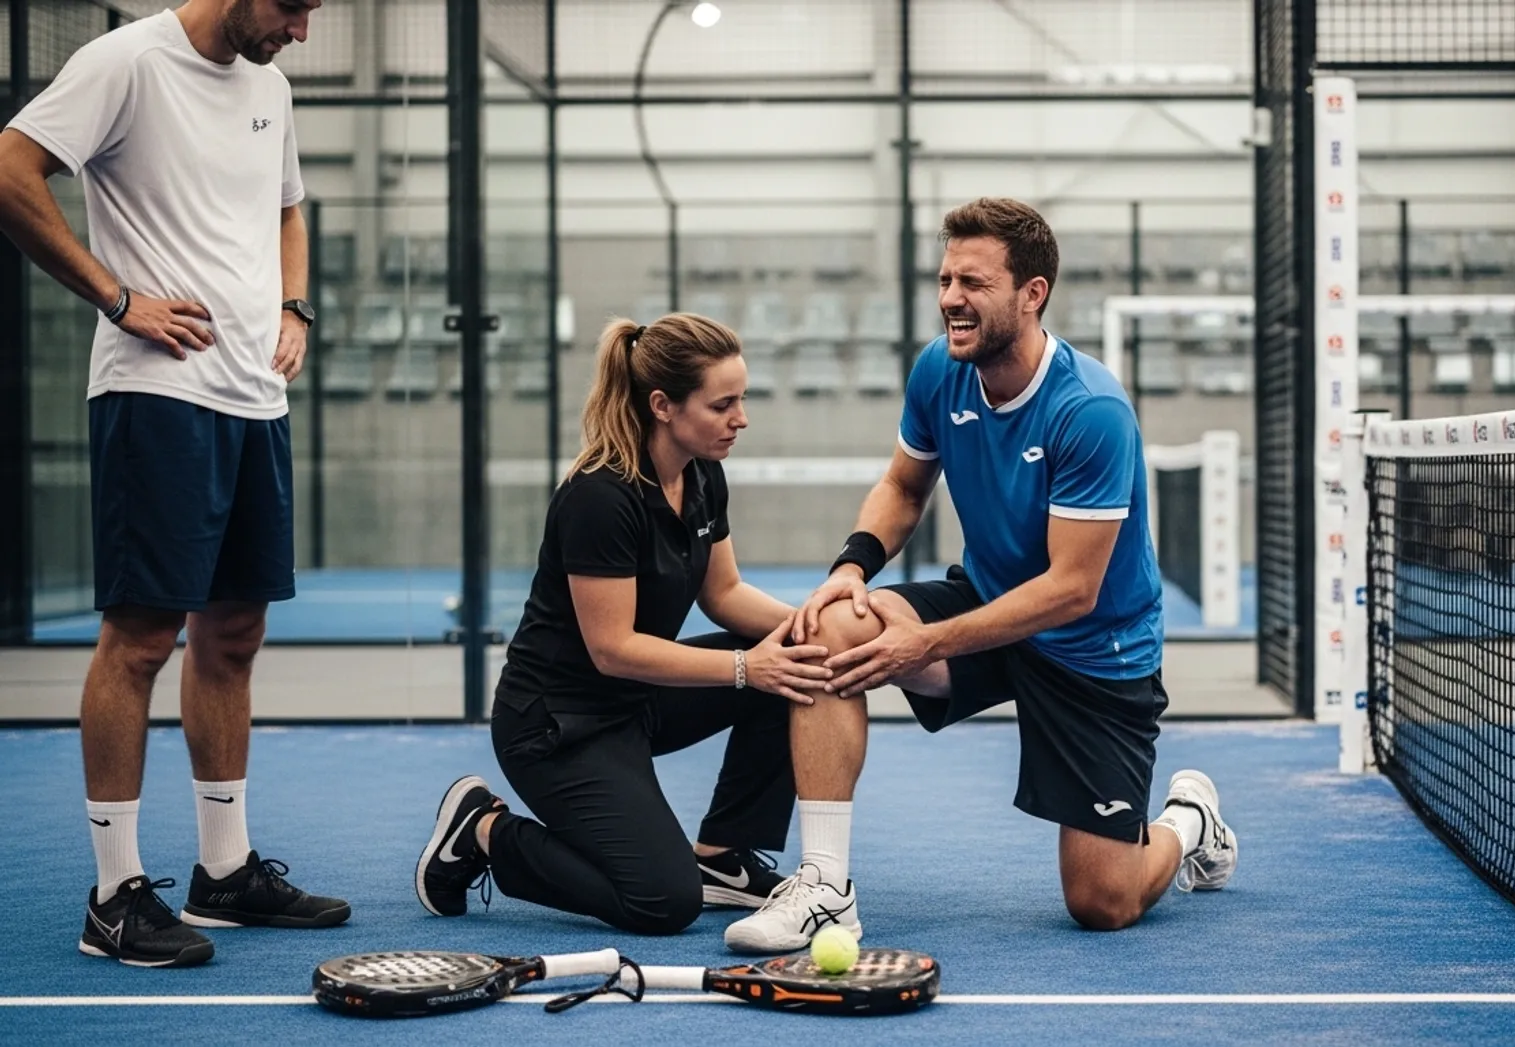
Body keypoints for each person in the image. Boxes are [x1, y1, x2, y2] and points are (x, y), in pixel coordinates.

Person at [723, 198, 1239, 953]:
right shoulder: (940, 370)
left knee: (1102, 901)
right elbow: (903, 487)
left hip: (1095, 652)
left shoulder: (1089, 410)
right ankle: (827, 886)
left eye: (973, 281)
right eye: (944, 279)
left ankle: (1188, 820)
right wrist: (851, 566)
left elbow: (1072, 587)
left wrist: (924, 641)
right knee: (831, 629)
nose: (950, 299)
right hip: (990, 602)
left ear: (1032, 294)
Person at [0, 0, 345, 968]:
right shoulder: (127, 63)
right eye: (291, 8)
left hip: (253, 401)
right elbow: (9, 168)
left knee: (234, 632)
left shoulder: (269, 85)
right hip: (157, 397)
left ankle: (224, 875)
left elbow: (287, 206)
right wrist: (117, 297)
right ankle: (114, 895)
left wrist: (294, 305)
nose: (301, 32)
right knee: (143, 636)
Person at [414, 313, 837, 936]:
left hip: (637, 701)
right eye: (723, 404)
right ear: (663, 405)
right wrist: (750, 668)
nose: (741, 418)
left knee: (793, 661)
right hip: (558, 725)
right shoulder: (600, 496)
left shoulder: (700, 474)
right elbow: (612, 649)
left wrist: (813, 627)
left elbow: (723, 595)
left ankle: (723, 858)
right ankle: (483, 830)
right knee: (662, 903)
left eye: (741, 400)